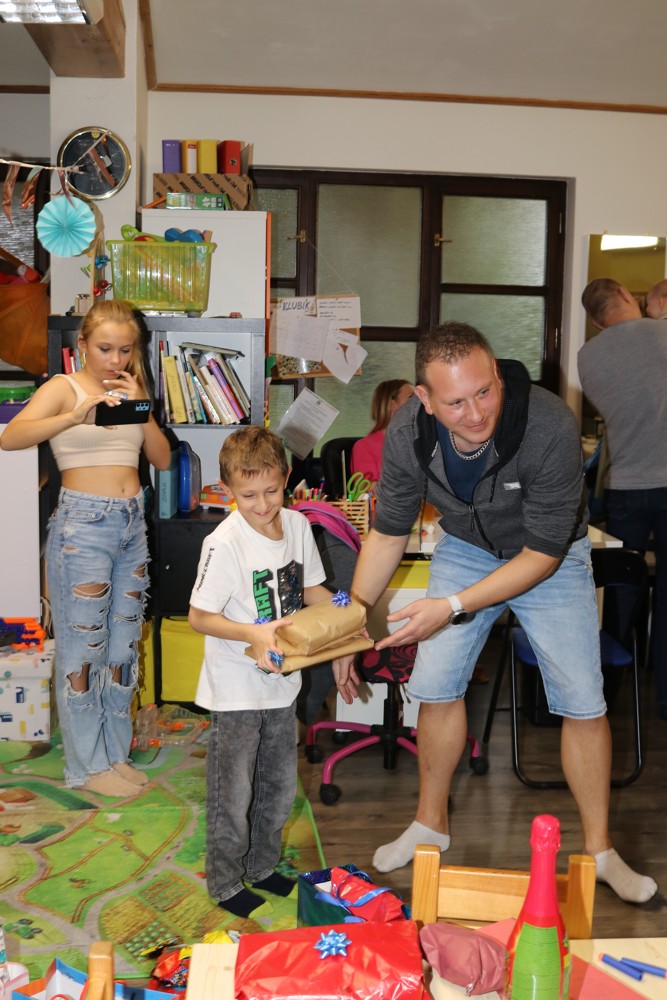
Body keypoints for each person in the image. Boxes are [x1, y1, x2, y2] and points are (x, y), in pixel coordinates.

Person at [333, 320, 657, 905]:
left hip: (549, 556)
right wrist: (351, 620)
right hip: (467, 547)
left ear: (497, 376)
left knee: (583, 699)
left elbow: (544, 553)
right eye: (456, 402)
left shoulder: (548, 424)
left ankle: (601, 852)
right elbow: (388, 531)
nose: (477, 412)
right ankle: (430, 824)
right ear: (424, 398)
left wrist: (451, 606)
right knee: (436, 685)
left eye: (485, 391)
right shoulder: (408, 431)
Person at [0, 299, 171, 797]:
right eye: (105, 348)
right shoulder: (63, 387)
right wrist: (73, 416)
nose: (115, 359)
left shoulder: (132, 390)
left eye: (125, 350)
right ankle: (86, 767)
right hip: (83, 528)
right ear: (82, 345)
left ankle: (113, 756)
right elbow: (12, 437)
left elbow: (161, 458)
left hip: (131, 524)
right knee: (84, 651)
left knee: (122, 650)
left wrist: (143, 406)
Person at [188, 426, 332, 918]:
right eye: (248, 495)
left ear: (286, 479)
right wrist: (253, 633)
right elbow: (199, 617)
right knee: (234, 790)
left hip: (282, 681)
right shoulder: (224, 542)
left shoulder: (297, 525)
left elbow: (311, 590)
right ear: (229, 488)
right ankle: (226, 881)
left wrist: (346, 608)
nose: (262, 504)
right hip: (236, 689)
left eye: (271, 491)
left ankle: (263, 864)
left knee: (278, 784)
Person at [579, 277, 667, 720]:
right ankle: (665, 699)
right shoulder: (662, 332)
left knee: (619, 589)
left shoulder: (587, 356)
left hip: (625, 487)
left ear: (596, 322)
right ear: (629, 297)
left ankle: (606, 696)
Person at [350, 379, 414, 488]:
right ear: (392, 406)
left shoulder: (422, 442)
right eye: (411, 397)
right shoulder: (364, 447)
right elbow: (367, 488)